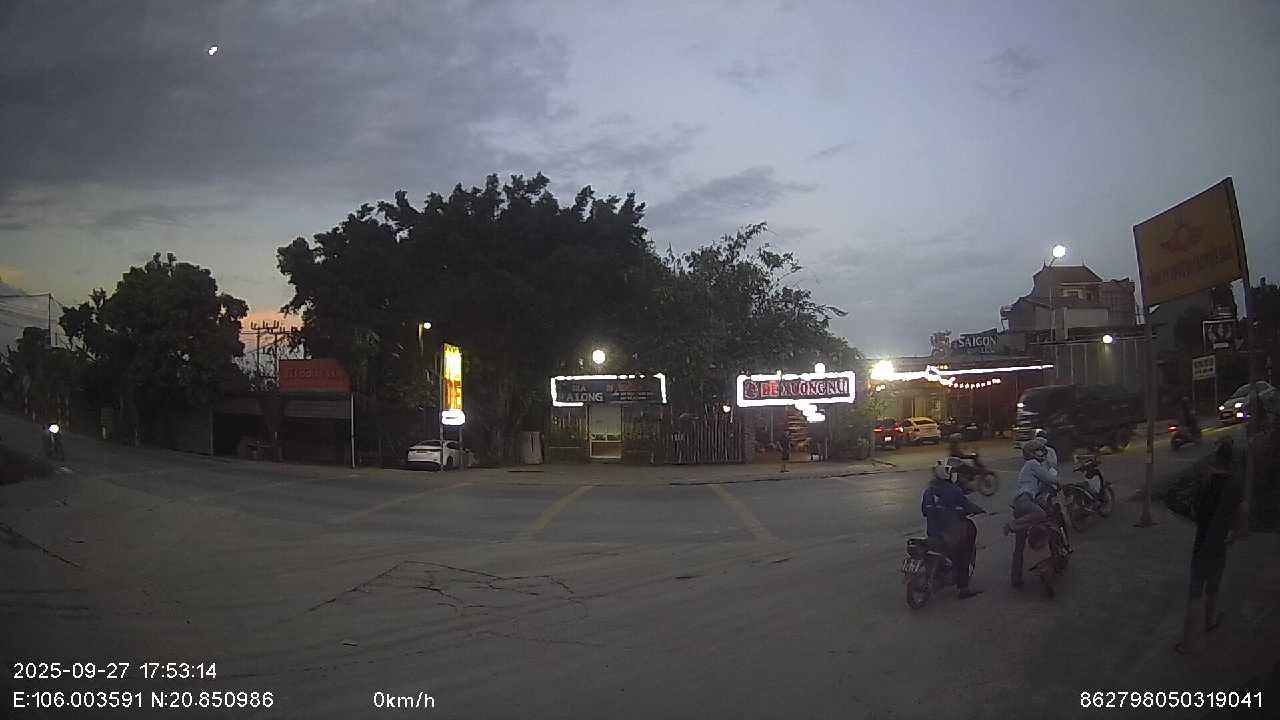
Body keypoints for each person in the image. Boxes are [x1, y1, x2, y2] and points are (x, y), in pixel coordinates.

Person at [1176, 437, 1248, 655]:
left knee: (1194, 595)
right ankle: (1209, 622)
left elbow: (1193, 508)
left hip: (1201, 543)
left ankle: (1186, 643)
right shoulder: (1235, 485)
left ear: (1216, 458)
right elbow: (1242, 513)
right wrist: (1234, 534)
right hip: (1219, 543)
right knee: (1213, 588)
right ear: (1231, 461)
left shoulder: (1206, 481)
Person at [921, 463, 985, 599]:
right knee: (963, 553)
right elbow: (966, 505)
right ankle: (964, 589)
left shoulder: (928, 491)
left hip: (932, 533)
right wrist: (978, 509)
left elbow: (924, 511)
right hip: (949, 535)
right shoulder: (954, 490)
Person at [1008, 437, 1065, 588]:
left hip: (1019, 505)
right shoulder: (1032, 464)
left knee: (1019, 545)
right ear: (1031, 453)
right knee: (1043, 516)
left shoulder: (1027, 469)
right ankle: (1012, 525)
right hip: (1025, 500)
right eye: (1038, 451)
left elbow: (1041, 483)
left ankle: (1016, 578)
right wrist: (1059, 483)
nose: (1042, 453)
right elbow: (1047, 478)